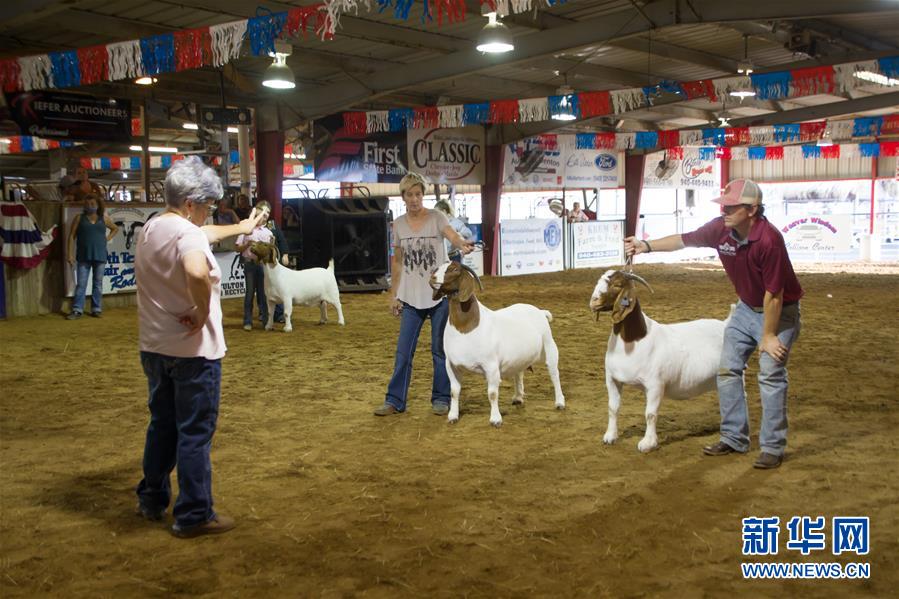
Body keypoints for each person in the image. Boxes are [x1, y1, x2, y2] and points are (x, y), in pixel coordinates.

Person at [625, 179, 802, 469]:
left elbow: (775, 294)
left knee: (770, 374)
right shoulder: (721, 229)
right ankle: (734, 437)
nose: (725, 210)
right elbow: (684, 239)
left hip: (779, 312)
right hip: (746, 308)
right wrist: (646, 245)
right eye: (724, 205)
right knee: (727, 369)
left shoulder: (769, 240)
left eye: (732, 206)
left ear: (752, 209)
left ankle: (772, 447)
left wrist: (768, 335)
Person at [134, 156, 264, 538]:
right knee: (194, 433)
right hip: (193, 351)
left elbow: (203, 234)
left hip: (155, 347)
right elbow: (195, 268)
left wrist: (241, 226)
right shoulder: (187, 234)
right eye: (206, 205)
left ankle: (152, 498)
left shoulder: (153, 227)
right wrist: (200, 308)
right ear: (190, 203)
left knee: (162, 425)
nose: (208, 213)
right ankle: (193, 513)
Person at [374, 173, 475, 417]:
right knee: (403, 351)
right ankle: (395, 400)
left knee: (440, 350)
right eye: (409, 194)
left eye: (418, 194)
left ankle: (441, 398)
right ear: (403, 197)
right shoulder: (397, 225)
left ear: (423, 195)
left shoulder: (437, 217)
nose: (415, 199)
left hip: (439, 296)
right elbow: (397, 262)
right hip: (410, 297)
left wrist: (461, 244)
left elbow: (451, 234)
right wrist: (393, 294)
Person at [66, 194, 119, 319]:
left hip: (100, 255)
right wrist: (69, 254)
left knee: (98, 284)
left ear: (98, 205)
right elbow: (71, 236)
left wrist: (107, 238)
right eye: (88, 204)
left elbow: (115, 228)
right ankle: (77, 309)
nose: (90, 206)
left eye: (93, 204)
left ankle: (96, 308)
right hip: (83, 255)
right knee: (81, 284)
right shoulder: (79, 218)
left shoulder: (103, 218)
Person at [235, 200, 274, 331]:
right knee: (250, 293)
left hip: (263, 265)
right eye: (263, 211)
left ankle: (266, 321)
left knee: (264, 294)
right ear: (256, 211)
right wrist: (246, 245)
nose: (265, 215)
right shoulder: (245, 228)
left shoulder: (268, 232)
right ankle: (247, 321)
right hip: (249, 264)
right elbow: (237, 248)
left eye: (268, 212)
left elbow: (270, 251)